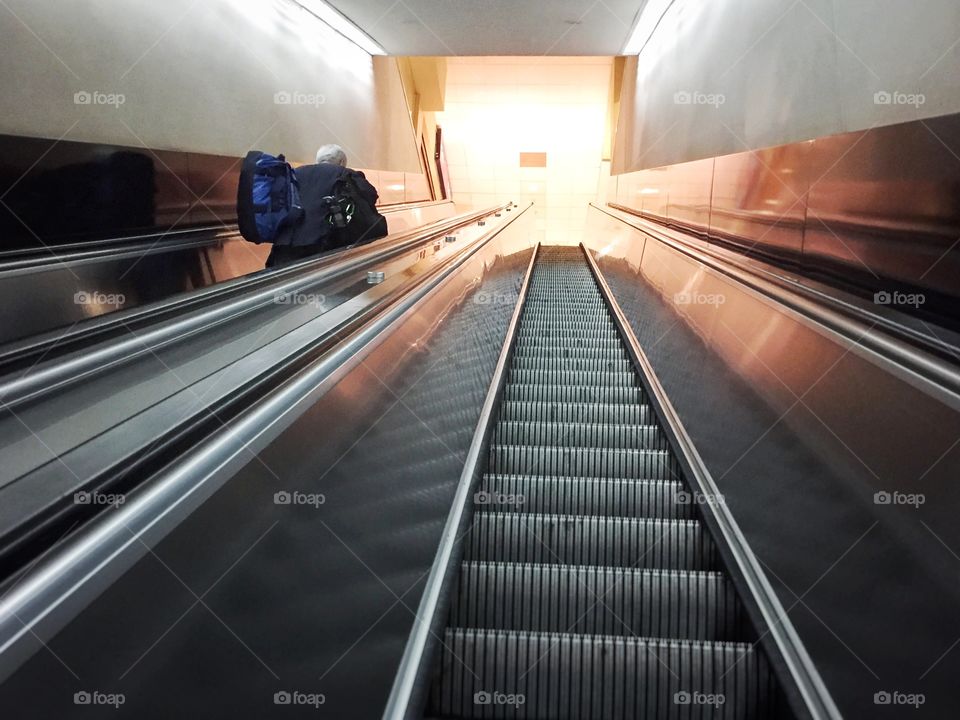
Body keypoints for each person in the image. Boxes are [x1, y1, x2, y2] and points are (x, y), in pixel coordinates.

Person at [266, 144, 384, 267]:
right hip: (323, 248)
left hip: (284, 249)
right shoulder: (346, 174)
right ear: (342, 161)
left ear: (317, 160)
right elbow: (370, 196)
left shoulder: (293, 174)